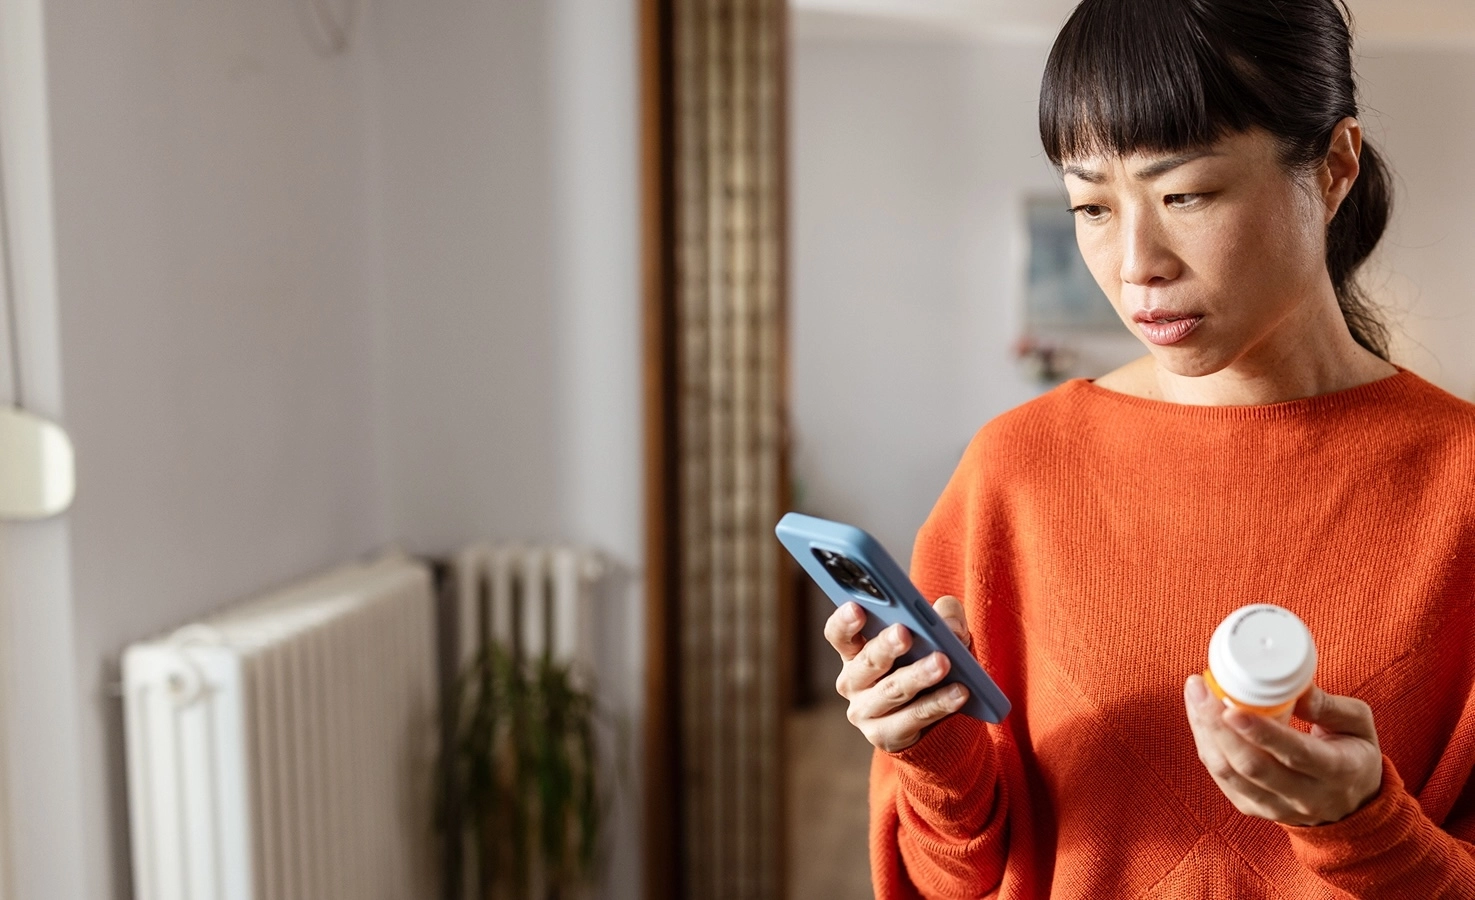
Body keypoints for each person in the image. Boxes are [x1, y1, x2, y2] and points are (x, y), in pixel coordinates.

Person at [822, 0, 1475, 896]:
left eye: (1185, 195)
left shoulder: (1461, 485)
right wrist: (934, 756)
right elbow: (948, 880)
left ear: (1332, 168)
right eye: (1091, 205)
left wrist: (1362, 828)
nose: (1135, 264)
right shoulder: (1013, 474)